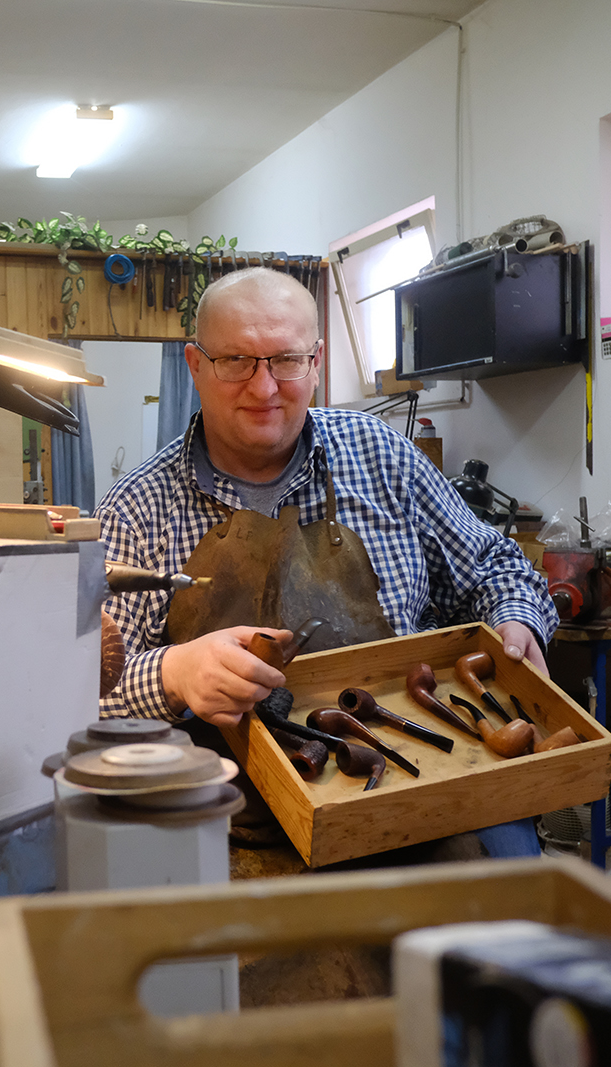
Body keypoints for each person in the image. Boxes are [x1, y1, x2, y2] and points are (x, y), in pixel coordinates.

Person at [95, 267, 559, 858]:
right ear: (195, 365)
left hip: (417, 778)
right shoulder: (136, 509)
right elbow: (82, 691)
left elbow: (496, 566)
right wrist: (174, 671)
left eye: (286, 360)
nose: (264, 387)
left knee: (509, 874)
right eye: (236, 361)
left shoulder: (381, 456)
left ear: (315, 362)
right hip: (233, 811)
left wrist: (516, 620)